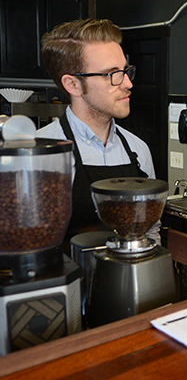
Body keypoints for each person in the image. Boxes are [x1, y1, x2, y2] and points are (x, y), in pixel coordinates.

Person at [36, 19, 160, 244]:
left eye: (125, 70)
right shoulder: (41, 154)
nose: (128, 84)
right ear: (73, 85)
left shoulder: (138, 150)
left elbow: (150, 232)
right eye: (111, 74)